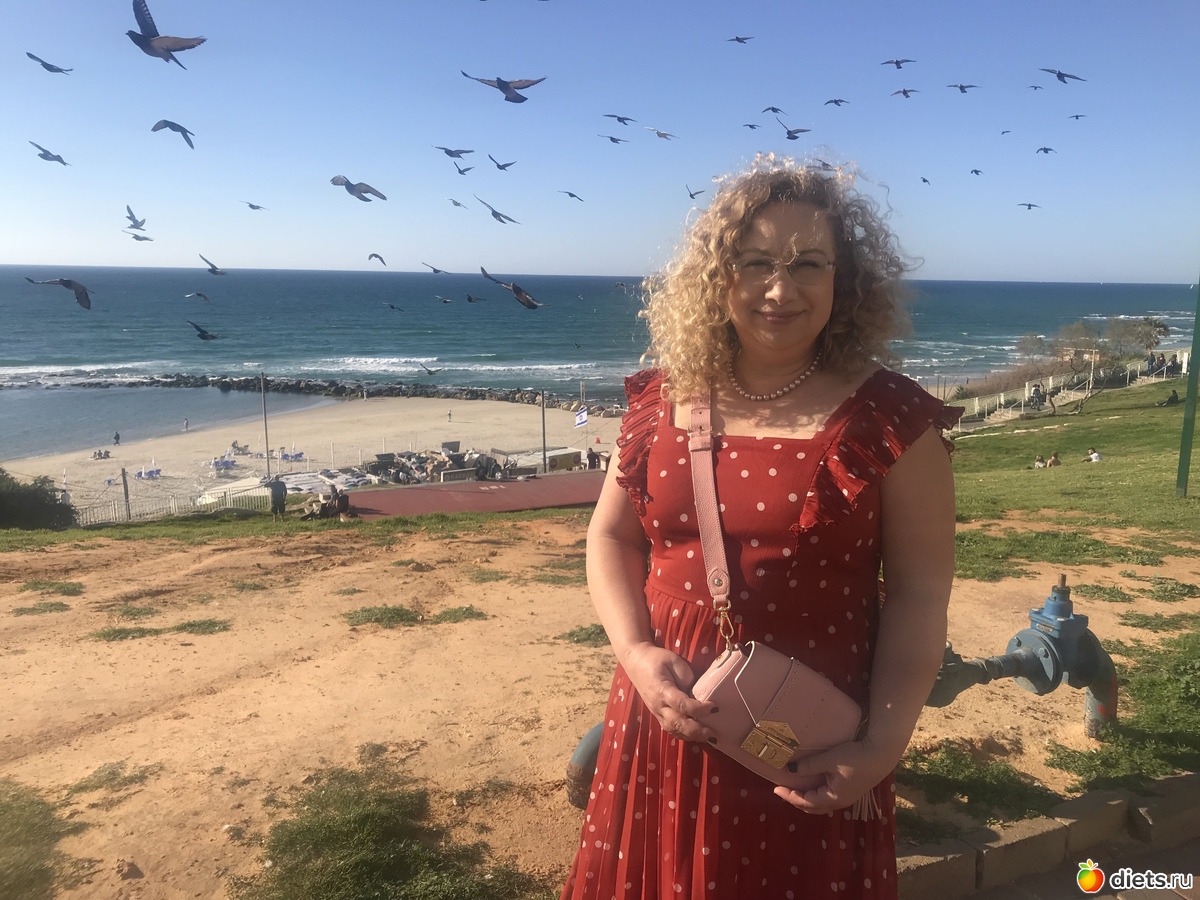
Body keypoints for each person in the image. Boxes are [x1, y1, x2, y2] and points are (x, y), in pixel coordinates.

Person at [561, 155, 959, 900]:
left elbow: (919, 593)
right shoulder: (660, 400)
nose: (780, 289)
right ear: (719, 276)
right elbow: (612, 538)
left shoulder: (891, 420)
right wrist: (637, 654)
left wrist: (881, 745)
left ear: (844, 279)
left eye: (808, 263)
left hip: (808, 739)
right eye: (755, 263)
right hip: (665, 715)